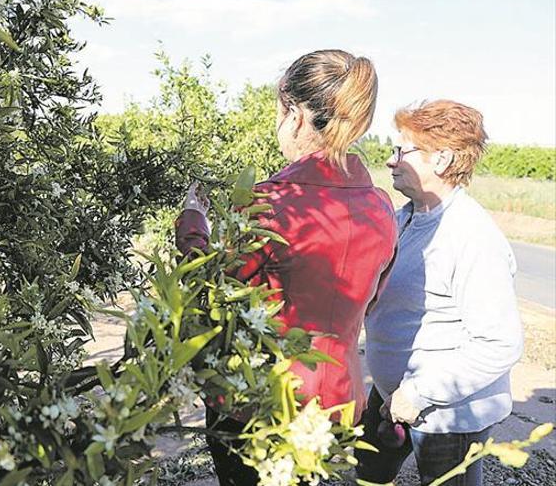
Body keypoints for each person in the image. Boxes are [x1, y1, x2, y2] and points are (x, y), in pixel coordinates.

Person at [175, 49, 398, 485]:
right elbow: (371, 300)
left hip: (260, 399)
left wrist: (192, 224)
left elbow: (207, 287)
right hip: (338, 401)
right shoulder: (381, 207)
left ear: (293, 113)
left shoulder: (269, 202)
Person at [356, 100, 524, 486]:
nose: (391, 161)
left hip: (447, 414)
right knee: (368, 474)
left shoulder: (471, 237)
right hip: (392, 396)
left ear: (442, 159)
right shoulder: (405, 217)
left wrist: (419, 392)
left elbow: (499, 343)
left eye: (402, 151)